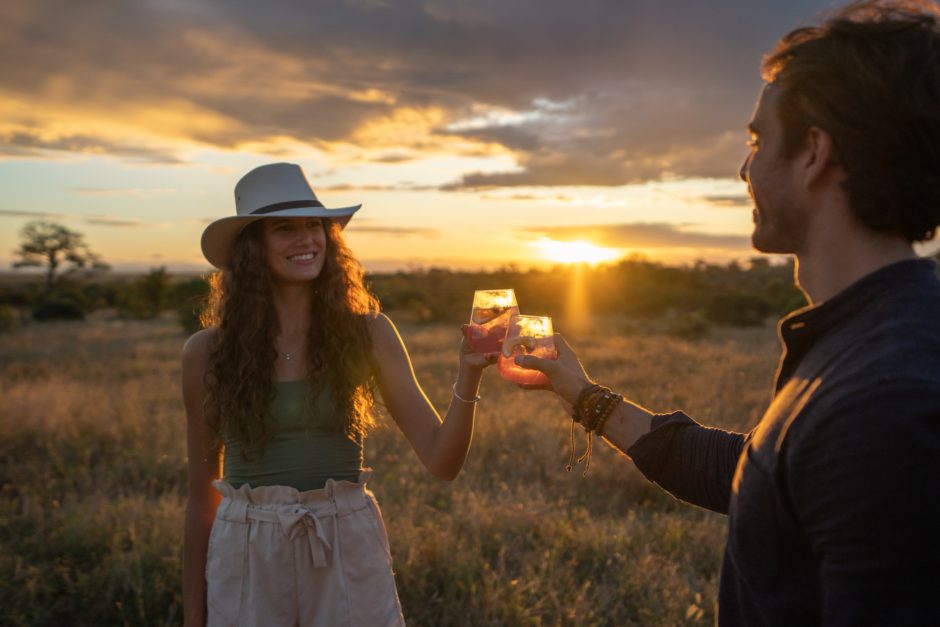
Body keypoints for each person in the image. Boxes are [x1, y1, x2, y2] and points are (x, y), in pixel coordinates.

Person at [515, 1, 940, 625]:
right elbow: (750, 473)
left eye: (759, 140)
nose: (745, 168)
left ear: (814, 154)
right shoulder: (866, 338)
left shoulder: (886, 399)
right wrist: (580, 393)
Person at [181, 162, 496, 626]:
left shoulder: (368, 333)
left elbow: (441, 461)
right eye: (285, 229)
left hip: (344, 538)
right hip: (247, 545)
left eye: (315, 225)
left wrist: (469, 375)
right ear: (253, 248)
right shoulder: (207, 352)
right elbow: (199, 498)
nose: (306, 239)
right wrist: (193, 617)